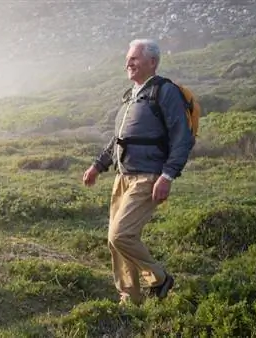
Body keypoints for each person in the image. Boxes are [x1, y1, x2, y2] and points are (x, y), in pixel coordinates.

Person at [82, 39, 194, 305]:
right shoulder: (130, 95)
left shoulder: (164, 91)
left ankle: (159, 277)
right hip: (123, 176)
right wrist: (98, 166)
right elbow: (119, 138)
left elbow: (182, 137)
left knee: (120, 234)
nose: (128, 63)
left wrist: (167, 175)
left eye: (134, 58)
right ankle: (130, 297)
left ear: (152, 62)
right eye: (128, 58)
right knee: (116, 242)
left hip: (148, 176)